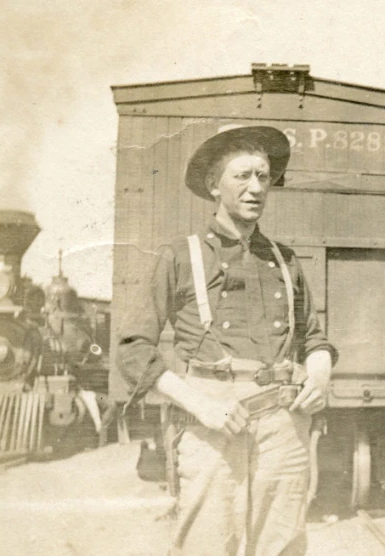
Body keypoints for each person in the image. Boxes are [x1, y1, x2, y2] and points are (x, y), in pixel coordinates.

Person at [117, 126, 337, 556]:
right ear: (213, 186)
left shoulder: (283, 259)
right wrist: (200, 404)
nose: (256, 188)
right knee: (208, 545)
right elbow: (133, 347)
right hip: (212, 423)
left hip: (284, 423)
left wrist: (320, 373)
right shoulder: (180, 256)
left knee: (283, 545)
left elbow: (314, 337)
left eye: (263, 176)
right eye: (242, 176)